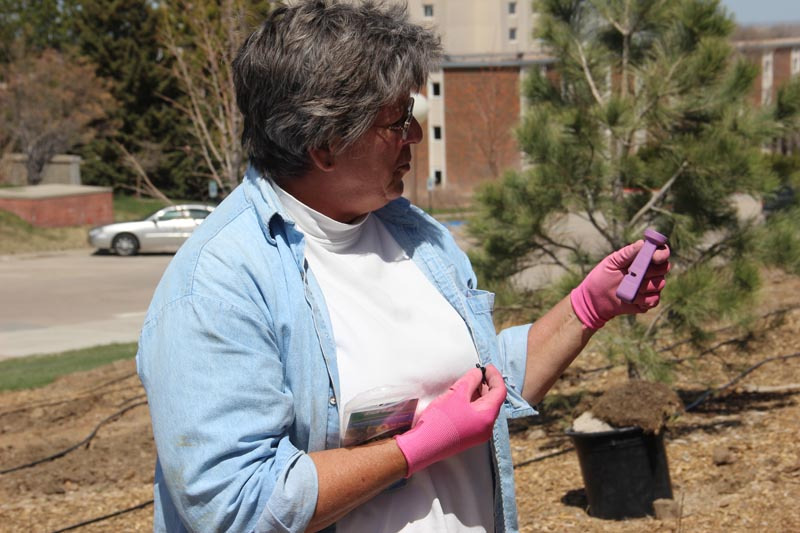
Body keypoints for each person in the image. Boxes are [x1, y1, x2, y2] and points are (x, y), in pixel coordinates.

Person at [136, 1, 670, 532]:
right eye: (399, 121)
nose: (415, 136)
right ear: (325, 143)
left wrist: (588, 308)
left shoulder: (414, 234)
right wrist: (420, 446)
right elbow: (234, 507)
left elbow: (478, 391)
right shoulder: (217, 287)